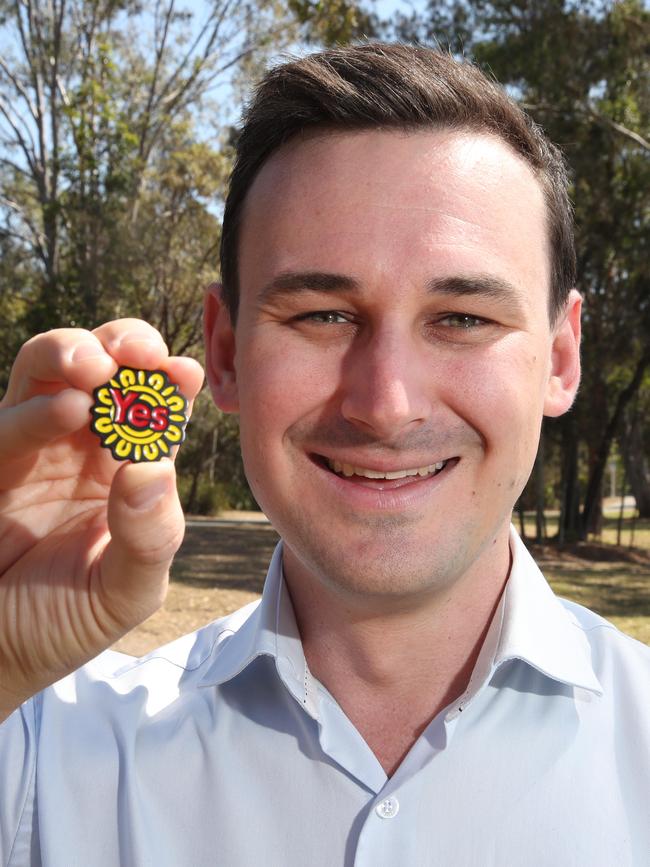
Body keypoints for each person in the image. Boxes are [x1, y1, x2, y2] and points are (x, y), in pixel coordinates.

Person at [0, 42, 648, 867]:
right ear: (225, 354)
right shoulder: (41, 755)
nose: (385, 402)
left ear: (560, 358)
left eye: (463, 319)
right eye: (322, 316)